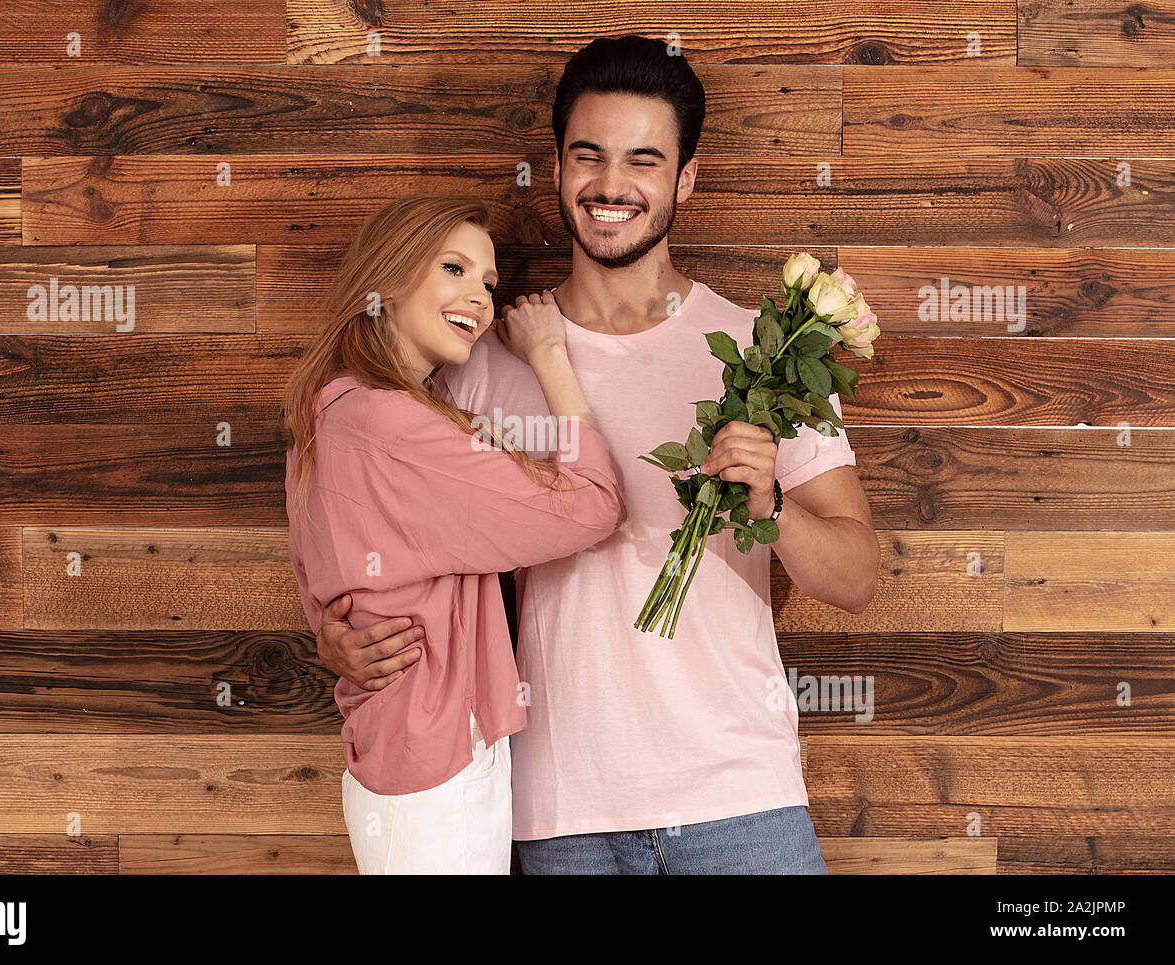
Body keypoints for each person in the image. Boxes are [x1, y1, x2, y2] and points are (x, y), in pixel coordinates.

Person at [315, 35, 879, 874]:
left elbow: (859, 575)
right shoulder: (483, 364)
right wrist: (339, 631)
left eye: (644, 161)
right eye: (590, 156)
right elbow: (380, 517)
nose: (612, 185)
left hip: (741, 801)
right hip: (557, 814)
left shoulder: (766, 355)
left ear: (685, 179)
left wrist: (775, 508)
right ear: (557, 169)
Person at [282, 194, 627, 874]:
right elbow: (593, 506)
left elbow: (318, 574)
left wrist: (330, 629)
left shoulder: (329, 408)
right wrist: (552, 355)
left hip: (398, 750)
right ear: (389, 275)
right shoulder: (396, 425)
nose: (480, 296)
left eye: (489, 283)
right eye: (454, 268)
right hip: (438, 760)